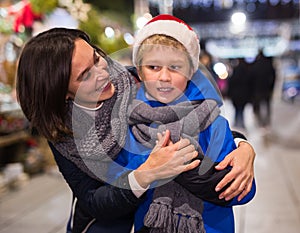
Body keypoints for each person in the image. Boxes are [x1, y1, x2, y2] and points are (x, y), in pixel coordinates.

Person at [15, 27, 255, 233]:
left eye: (97, 58)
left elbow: (194, 116)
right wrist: (147, 172)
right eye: (85, 75)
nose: (103, 73)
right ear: (63, 93)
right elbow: (92, 200)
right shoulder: (64, 133)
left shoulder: (137, 82)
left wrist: (241, 145)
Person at [114, 14, 255, 232]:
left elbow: (243, 190)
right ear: (139, 71)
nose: (164, 77)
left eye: (175, 67)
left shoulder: (212, 122)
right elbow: (119, 188)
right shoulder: (129, 125)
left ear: (190, 71)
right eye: (153, 67)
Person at [251, 49, 276, 128]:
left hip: (257, 89)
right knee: (267, 105)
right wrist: (271, 87)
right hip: (267, 88)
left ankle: (260, 122)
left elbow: (252, 78)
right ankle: (267, 122)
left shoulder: (255, 64)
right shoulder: (268, 64)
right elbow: (273, 77)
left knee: (257, 106)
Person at [227, 58, 253, 129]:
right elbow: (250, 85)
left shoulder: (235, 72)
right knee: (241, 109)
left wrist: (229, 94)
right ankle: (241, 123)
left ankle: (236, 123)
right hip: (244, 95)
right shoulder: (247, 72)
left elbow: (231, 83)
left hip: (236, 95)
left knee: (237, 110)